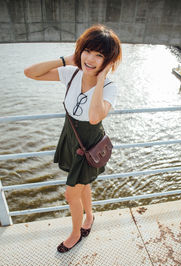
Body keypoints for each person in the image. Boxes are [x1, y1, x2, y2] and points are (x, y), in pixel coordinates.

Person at [24, 24, 122, 253]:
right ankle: (89, 217)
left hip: (90, 143)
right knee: (82, 185)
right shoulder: (72, 73)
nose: (91, 59)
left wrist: (100, 80)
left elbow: (95, 116)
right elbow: (30, 72)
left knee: (71, 193)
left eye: (100, 56)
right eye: (88, 51)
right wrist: (66, 59)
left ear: (108, 62)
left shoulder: (109, 87)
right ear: (80, 50)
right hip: (71, 137)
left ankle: (76, 233)